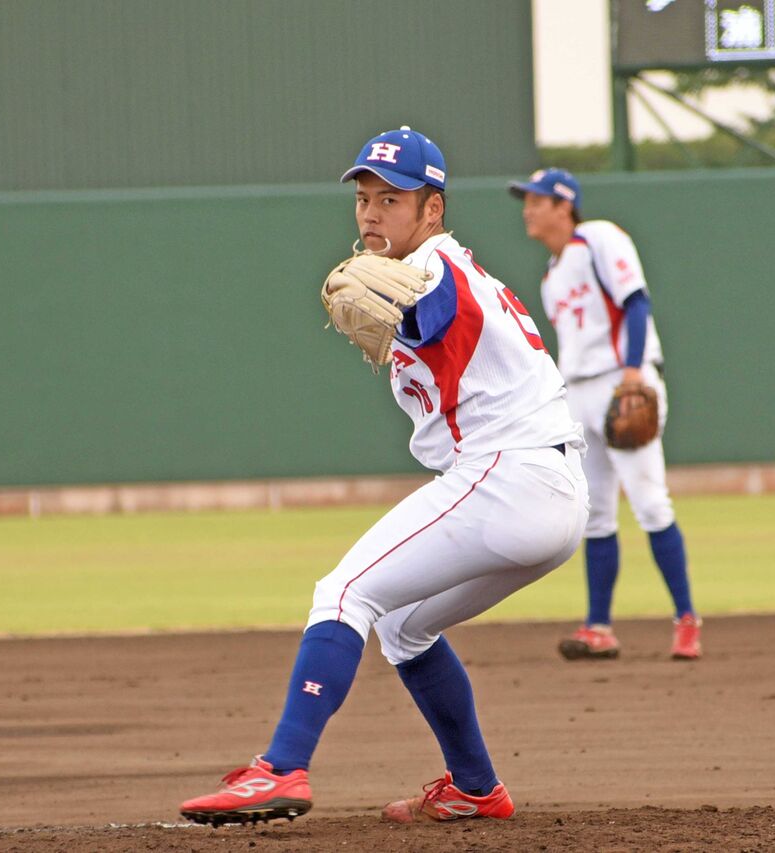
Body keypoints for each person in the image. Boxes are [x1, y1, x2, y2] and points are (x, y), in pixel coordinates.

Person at [179, 129, 588, 826]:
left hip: (508, 475)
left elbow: (435, 311)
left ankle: (280, 768)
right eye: (364, 198)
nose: (371, 212)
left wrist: (410, 318)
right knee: (403, 627)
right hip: (551, 494)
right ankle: (476, 787)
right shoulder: (440, 267)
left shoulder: (434, 268)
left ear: (433, 209)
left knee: (344, 593)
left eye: (391, 199)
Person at [508, 168, 701, 662]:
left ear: (564, 205)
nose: (528, 210)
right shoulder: (551, 275)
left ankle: (686, 620)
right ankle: (599, 627)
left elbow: (636, 303)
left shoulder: (598, 238)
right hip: (578, 393)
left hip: (622, 381)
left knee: (650, 502)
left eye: (537, 200)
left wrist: (634, 372)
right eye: (526, 201)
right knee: (593, 514)